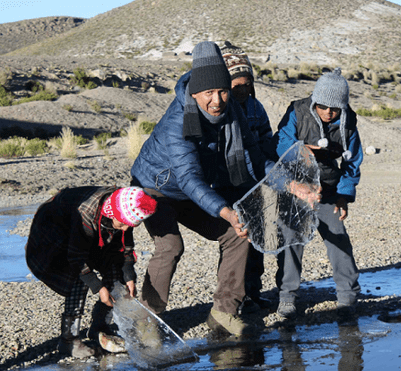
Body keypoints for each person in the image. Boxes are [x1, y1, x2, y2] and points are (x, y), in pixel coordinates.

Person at [130, 41, 274, 336]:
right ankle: (146, 319)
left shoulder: (233, 111)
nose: (217, 100)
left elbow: (254, 159)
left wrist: (288, 181)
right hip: (154, 188)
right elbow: (189, 179)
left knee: (237, 234)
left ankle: (223, 313)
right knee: (170, 246)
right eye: (208, 92)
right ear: (195, 92)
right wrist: (225, 210)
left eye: (222, 90)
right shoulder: (177, 121)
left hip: (189, 189)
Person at [25, 186, 157, 358]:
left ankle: (100, 327)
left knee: (115, 273)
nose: (125, 229)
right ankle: (69, 340)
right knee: (78, 280)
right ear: (112, 214)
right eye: (123, 224)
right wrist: (98, 287)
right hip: (56, 234)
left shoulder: (127, 207)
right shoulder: (86, 212)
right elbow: (77, 259)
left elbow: (125, 245)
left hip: (90, 232)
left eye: (131, 225)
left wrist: (128, 275)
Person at [273, 68, 363, 318]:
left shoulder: (348, 122)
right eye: (323, 106)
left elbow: (352, 162)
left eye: (335, 108)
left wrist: (344, 195)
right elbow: (280, 144)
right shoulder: (297, 111)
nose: (328, 113)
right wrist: (301, 150)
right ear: (315, 101)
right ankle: (287, 297)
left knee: (338, 237)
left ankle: (348, 295)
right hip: (296, 189)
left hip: (329, 190)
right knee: (291, 239)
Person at [217, 40, 273, 312]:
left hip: (255, 183)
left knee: (258, 240)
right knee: (235, 242)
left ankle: (252, 292)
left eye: (246, 83)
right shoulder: (219, 109)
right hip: (227, 184)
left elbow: (266, 141)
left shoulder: (256, 108)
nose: (242, 89)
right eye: (235, 85)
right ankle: (230, 298)